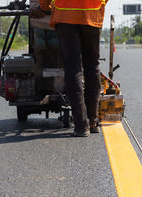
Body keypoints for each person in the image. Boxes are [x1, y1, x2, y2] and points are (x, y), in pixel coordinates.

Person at [30, 0, 108, 137]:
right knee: (92, 66)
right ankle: (93, 122)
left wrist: (42, 8)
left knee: (73, 68)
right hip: (93, 13)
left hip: (66, 15)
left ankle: (81, 125)